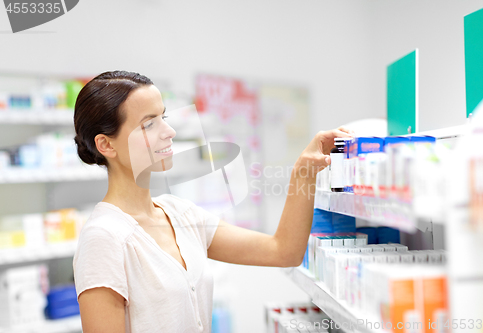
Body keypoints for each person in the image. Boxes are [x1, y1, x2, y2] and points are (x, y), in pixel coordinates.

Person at [72, 70, 353, 333]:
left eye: (164, 117)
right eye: (149, 124)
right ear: (106, 145)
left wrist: (303, 172)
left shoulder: (180, 214)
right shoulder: (104, 238)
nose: (169, 131)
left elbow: (283, 251)